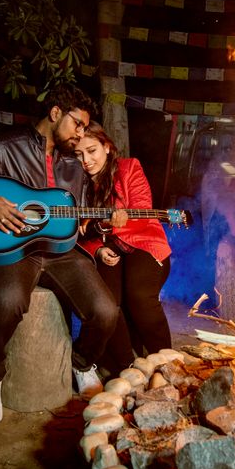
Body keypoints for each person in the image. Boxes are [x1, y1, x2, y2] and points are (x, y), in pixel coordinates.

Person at [0, 85, 132, 425]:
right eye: (77, 124)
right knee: (7, 302)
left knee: (105, 310)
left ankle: (81, 364)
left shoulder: (74, 165)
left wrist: (106, 225)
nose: (81, 134)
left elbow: (74, 221)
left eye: (85, 127)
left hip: (59, 252)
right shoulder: (4, 147)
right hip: (13, 247)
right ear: (55, 114)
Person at [74, 123, 173, 365]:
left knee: (138, 294)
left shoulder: (129, 168)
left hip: (143, 243)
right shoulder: (76, 184)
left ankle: (166, 362)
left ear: (106, 147)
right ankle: (125, 367)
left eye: (92, 150)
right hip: (108, 250)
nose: (86, 160)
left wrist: (112, 225)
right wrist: (97, 249)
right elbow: (76, 233)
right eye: (79, 154)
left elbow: (142, 210)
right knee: (108, 303)